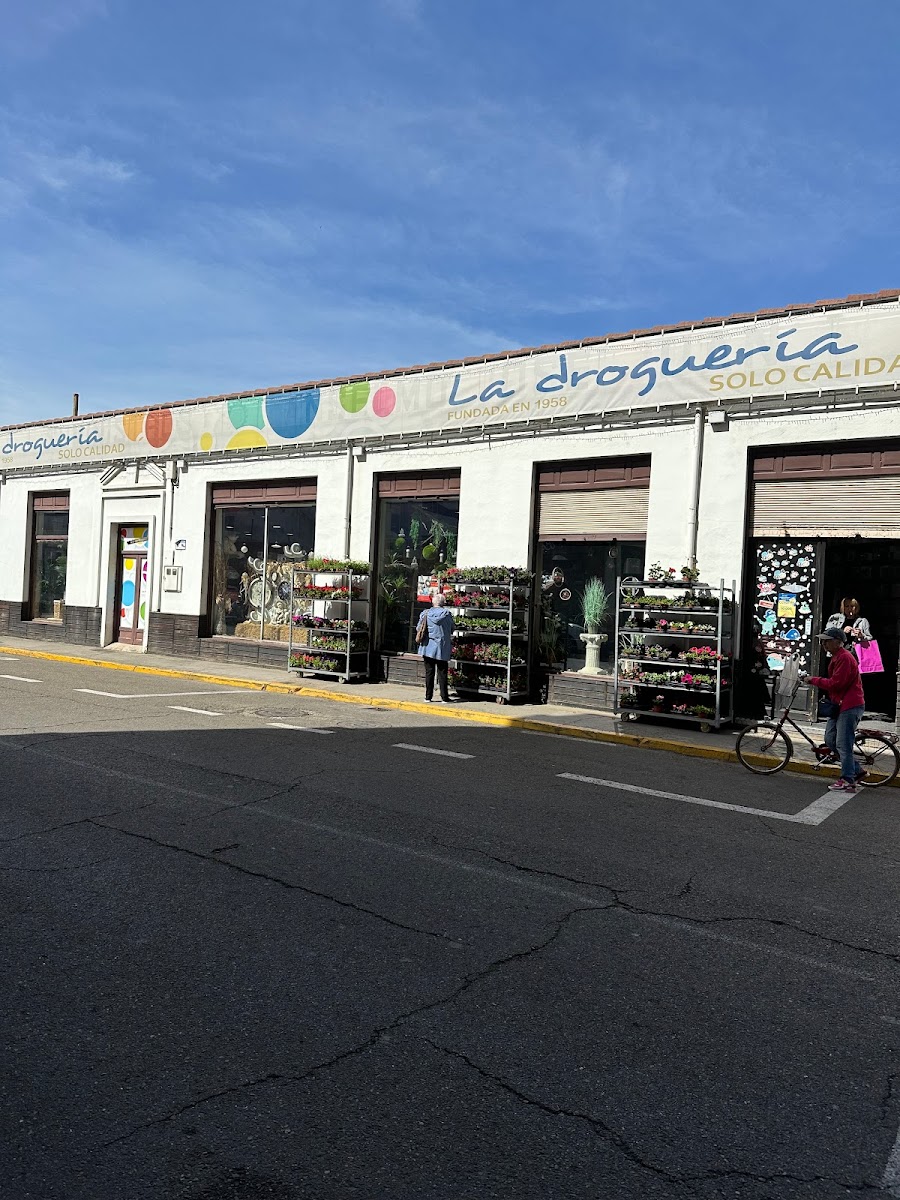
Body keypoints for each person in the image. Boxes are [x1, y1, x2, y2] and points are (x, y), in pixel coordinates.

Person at [800, 627, 866, 793]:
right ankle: (857, 770)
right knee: (830, 740)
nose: (824, 644)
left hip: (849, 705)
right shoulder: (837, 657)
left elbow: (837, 683)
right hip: (839, 705)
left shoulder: (844, 658)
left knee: (843, 744)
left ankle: (848, 780)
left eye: (827, 641)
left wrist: (813, 680)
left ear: (838, 642)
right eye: (823, 641)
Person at [417, 592, 455, 703]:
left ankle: (428, 697)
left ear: (433, 602)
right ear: (443, 603)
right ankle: (444, 697)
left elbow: (419, 628)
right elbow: (452, 629)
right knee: (442, 672)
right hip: (442, 647)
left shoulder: (425, 613)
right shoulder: (447, 614)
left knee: (429, 672)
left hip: (427, 647)